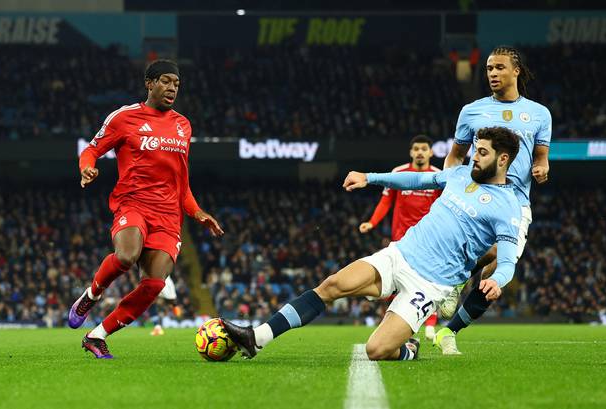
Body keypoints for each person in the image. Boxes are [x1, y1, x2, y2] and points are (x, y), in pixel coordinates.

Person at [222, 127, 521, 361]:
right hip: (401, 255)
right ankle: (257, 338)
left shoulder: (507, 206)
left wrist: (497, 279)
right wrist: (370, 177)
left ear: (502, 159)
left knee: (376, 350)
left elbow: (507, 260)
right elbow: (416, 182)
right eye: (475, 150)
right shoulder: (459, 174)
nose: (475, 157)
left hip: (431, 285)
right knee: (333, 285)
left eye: (482, 152)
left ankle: (409, 350)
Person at [68, 59, 224, 359]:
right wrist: (87, 168)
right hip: (133, 202)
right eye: (166, 81)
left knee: (154, 284)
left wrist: (197, 212)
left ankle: (97, 336)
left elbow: (182, 182)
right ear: (149, 83)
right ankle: (91, 295)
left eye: (176, 84)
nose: (172, 88)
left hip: (168, 215)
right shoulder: (125, 118)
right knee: (127, 256)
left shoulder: (183, 125)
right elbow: (91, 149)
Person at [433, 45, 551, 355]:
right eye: (488, 69)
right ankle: (454, 283)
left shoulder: (539, 114)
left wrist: (541, 168)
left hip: (515, 201)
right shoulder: (472, 110)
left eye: (499, 68)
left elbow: (541, 157)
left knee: (494, 274)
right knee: (494, 255)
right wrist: (450, 187)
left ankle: (448, 332)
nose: (493, 74)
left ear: (516, 71)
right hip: (479, 196)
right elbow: (456, 156)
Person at [359, 135, 441, 339]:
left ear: (431, 152)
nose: (420, 152)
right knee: (399, 282)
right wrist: (372, 222)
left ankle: (430, 323)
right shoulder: (398, 173)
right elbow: (386, 201)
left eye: (424, 149)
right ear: (411, 152)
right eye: (416, 149)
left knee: (428, 281)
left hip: (428, 239)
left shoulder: (439, 176)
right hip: (402, 240)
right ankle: (396, 324)